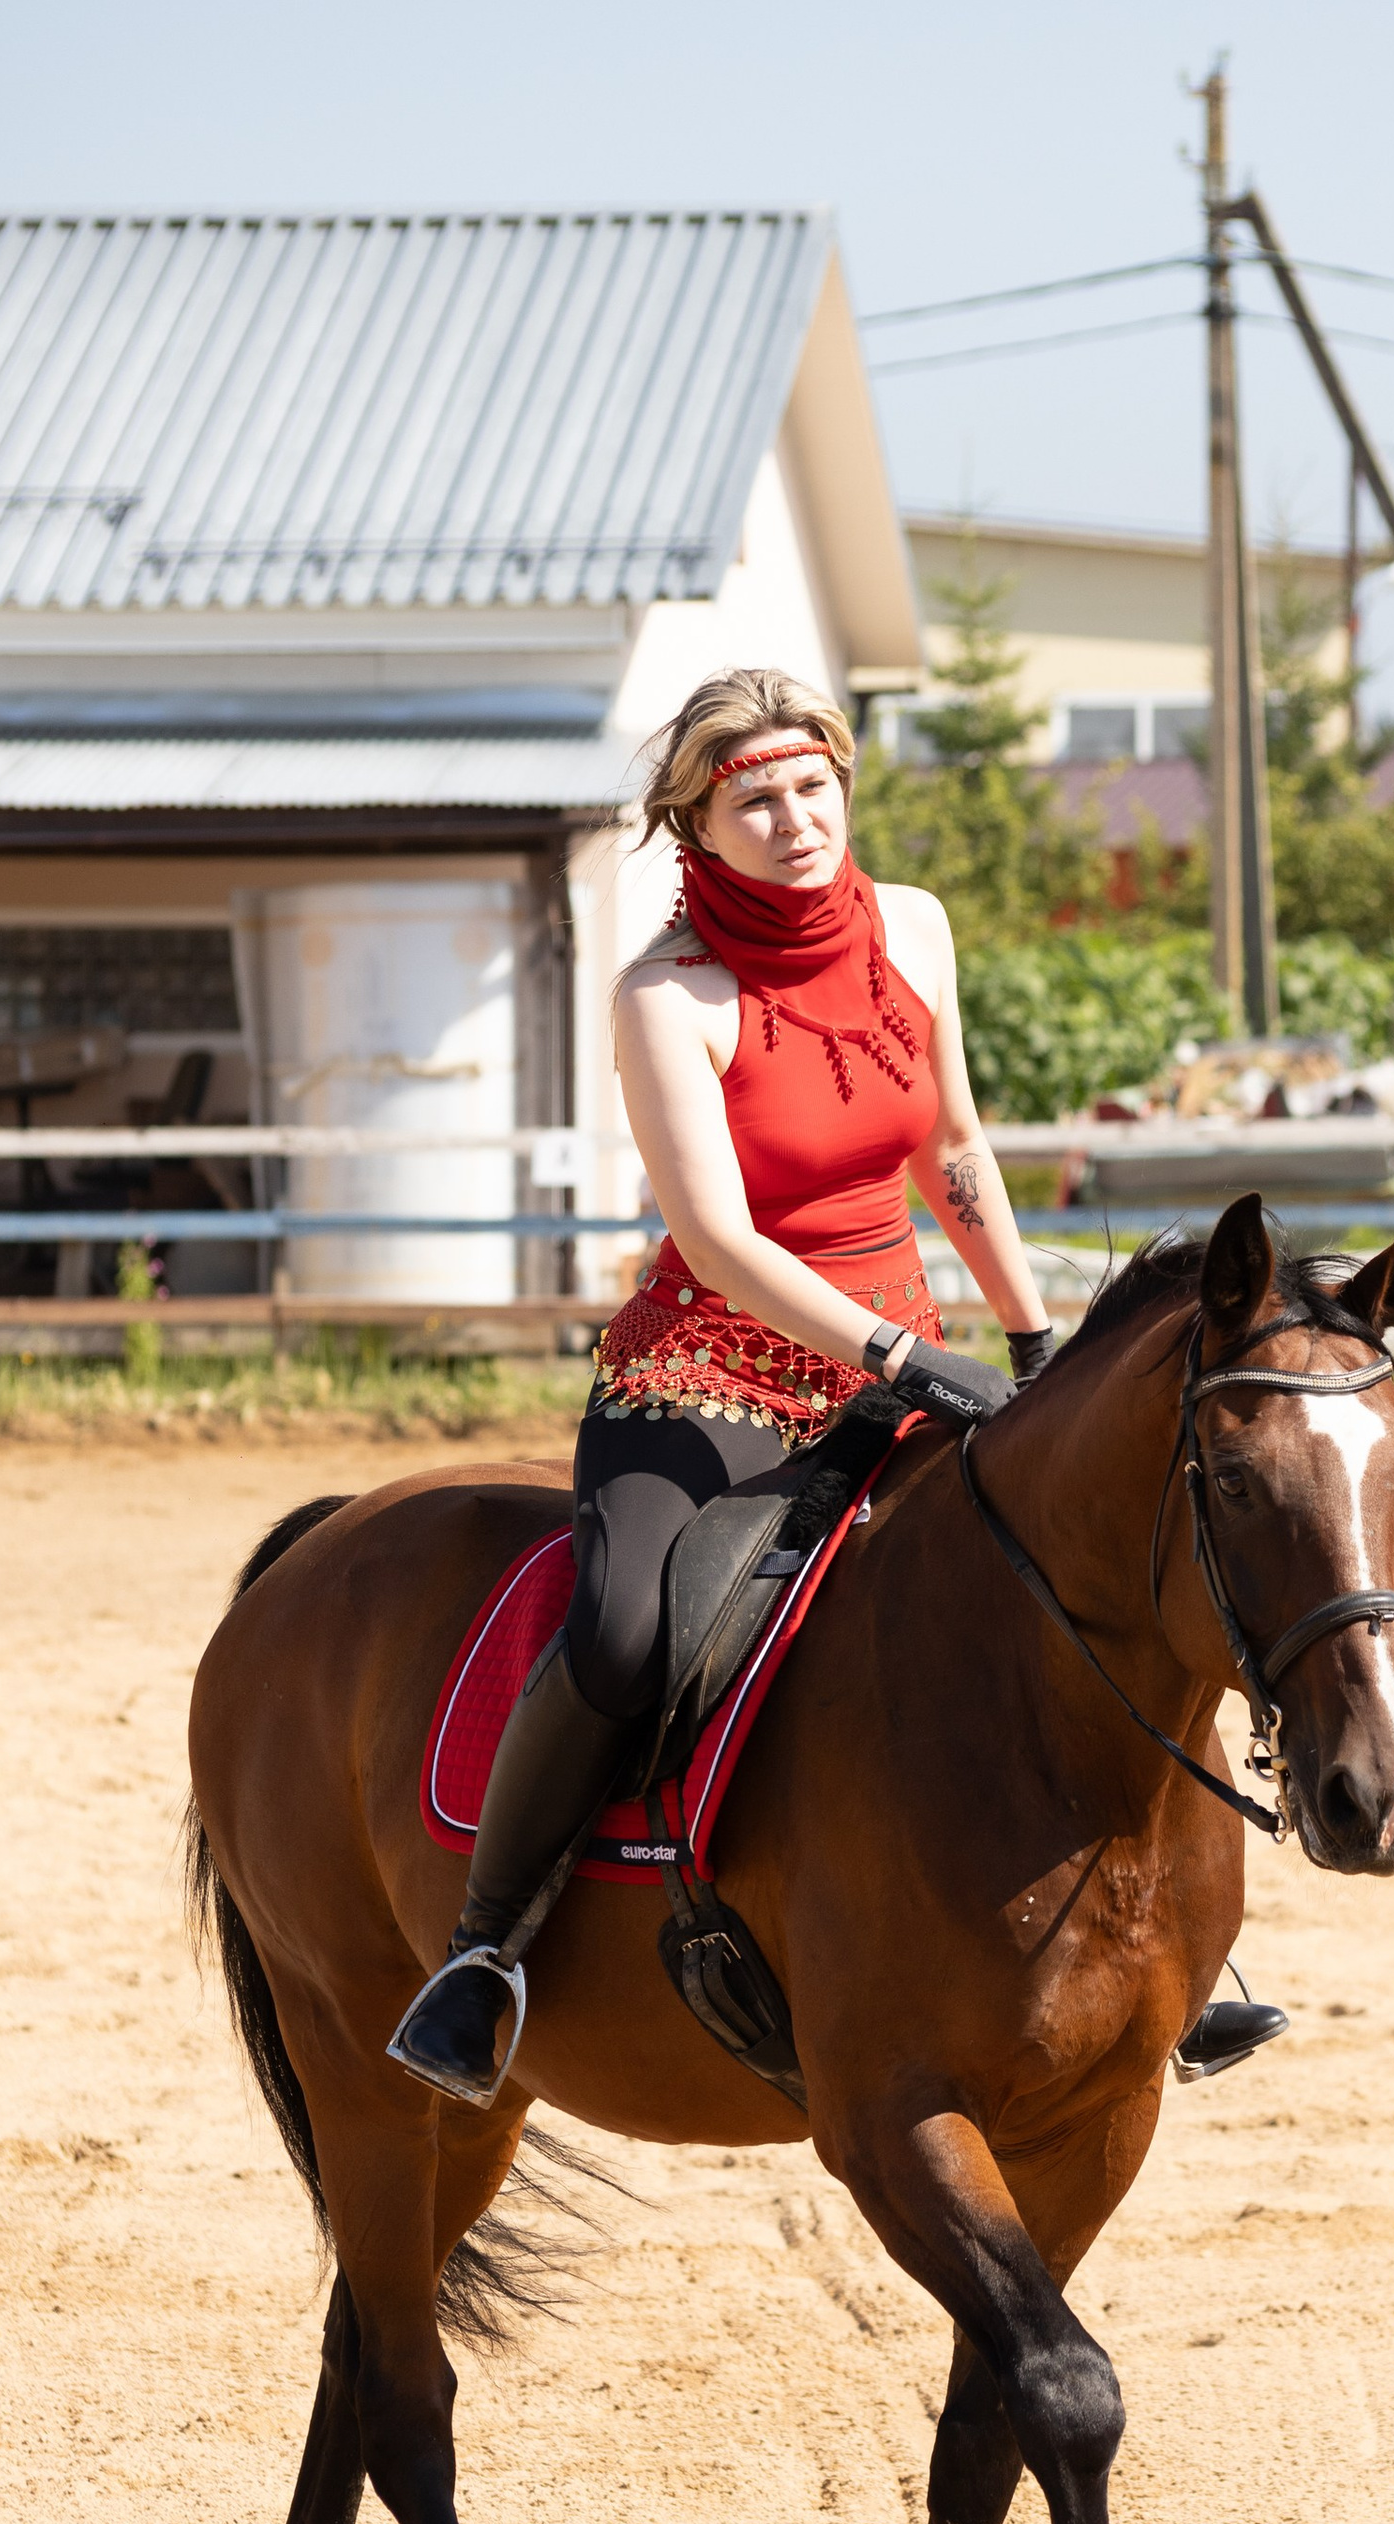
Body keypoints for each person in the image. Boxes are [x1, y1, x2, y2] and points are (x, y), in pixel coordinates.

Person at [388, 664, 1285, 2105]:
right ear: (697, 823)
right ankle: (485, 1951)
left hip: (910, 1357)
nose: (796, 820)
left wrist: (1036, 1339)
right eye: (756, 800)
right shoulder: (665, 995)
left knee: (1094, 1580)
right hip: (709, 1380)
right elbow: (719, 1241)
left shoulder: (912, 928)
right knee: (627, 1636)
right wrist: (903, 1356)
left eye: (815, 789)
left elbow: (959, 1150)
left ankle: (1166, 1939)